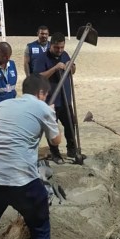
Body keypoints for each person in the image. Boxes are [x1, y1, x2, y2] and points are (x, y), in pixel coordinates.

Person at [0, 74, 61, 239]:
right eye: (45, 95)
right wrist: (52, 115)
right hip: (21, 179)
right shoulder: (43, 108)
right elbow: (55, 141)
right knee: (40, 226)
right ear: (41, 93)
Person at [33, 32, 77, 164]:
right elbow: (38, 77)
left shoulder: (65, 55)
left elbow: (72, 71)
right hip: (50, 100)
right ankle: (55, 153)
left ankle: (72, 150)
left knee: (70, 125)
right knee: (52, 129)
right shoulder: (42, 58)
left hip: (65, 98)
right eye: (57, 48)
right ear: (51, 45)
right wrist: (55, 68)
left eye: (62, 47)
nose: (60, 50)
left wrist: (72, 67)